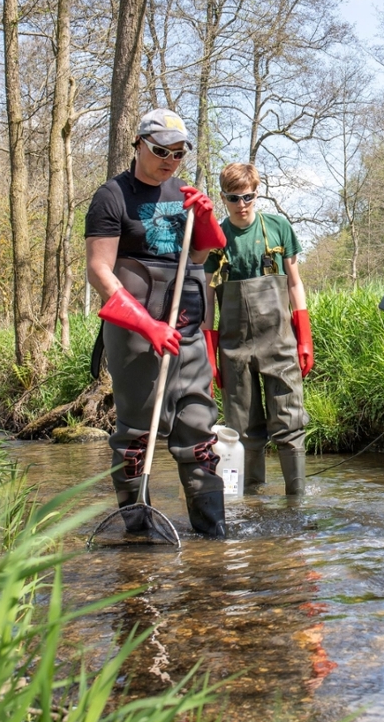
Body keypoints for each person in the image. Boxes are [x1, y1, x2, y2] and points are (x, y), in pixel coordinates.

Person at [84, 108, 228, 537]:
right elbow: (99, 272)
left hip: (187, 326)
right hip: (135, 331)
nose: (169, 159)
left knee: (199, 429)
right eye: (160, 150)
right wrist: (147, 326)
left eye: (178, 152)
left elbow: (204, 254)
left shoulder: (181, 190)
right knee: (136, 435)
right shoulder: (112, 197)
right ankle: (139, 531)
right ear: (139, 145)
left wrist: (203, 217)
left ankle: (212, 532)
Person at [202, 163, 313, 495]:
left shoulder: (278, 229)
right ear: (223, 198)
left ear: (257, 191)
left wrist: (304, 335)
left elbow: (295, 284)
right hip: (234, 349)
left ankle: (298, 500)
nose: (242, 205)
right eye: (234, 198)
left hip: (280, 344)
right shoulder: (216, 241)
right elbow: (209, 299)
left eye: (248, 196)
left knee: (290, 422)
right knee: (241, 430)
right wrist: (209, 351)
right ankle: (248, 502)